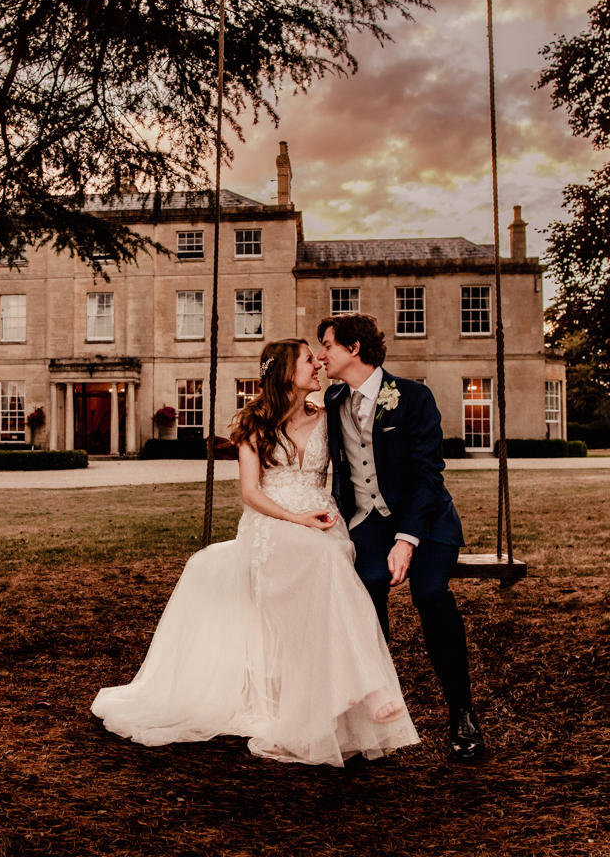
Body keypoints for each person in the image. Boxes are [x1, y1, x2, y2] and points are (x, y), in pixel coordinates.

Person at [92, 339, 418, 766]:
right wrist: (295, 518)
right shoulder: (252, 424)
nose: (318, 364)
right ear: (287, 373)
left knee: (330, 564)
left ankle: (331, 698)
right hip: (272, 522)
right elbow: (250, 492)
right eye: (309, 360)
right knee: (324, 561)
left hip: (322, 518)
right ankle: (369, 688)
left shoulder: (328, 417)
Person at [316, 313, 486, 763]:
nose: (321, 355)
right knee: (365, 591)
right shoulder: (332, 399)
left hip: (425, 522)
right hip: (368, 521)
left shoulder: (413, 397)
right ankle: (371, 715)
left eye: (327, 345)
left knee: (430, 595)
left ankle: (462, 714)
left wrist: (407, 539)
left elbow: (430, 476)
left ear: (354, 348)